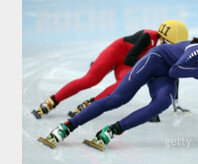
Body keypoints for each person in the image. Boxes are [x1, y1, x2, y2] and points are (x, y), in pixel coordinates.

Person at [40, 24, 198, 149]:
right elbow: (176, 71)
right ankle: (67, 127)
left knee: (163, 101)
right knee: (118, 99)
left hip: (165, 73)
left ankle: (112, 130)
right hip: (154, 60)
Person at [31, 20, 189, 120]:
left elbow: (175, 71)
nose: (170, 48)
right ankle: (52, 101)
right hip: (118, 53)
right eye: (168, 43)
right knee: (90, 80)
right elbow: (130, 58)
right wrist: (149, 68)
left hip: (128, 64)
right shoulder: (148, 36)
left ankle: (90, 104)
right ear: (162, 37)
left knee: (124, 83)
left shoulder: (166, 50)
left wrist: (175, 100)